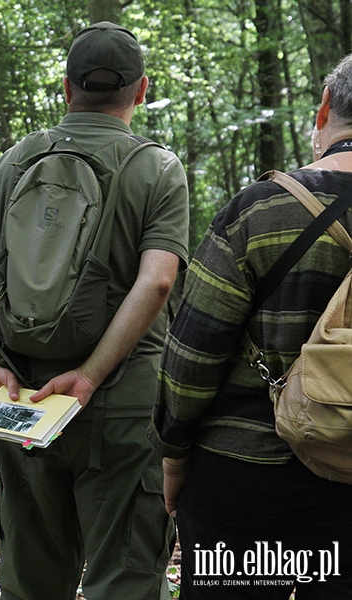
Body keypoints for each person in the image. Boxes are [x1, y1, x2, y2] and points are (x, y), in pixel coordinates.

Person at [0, 22, 189, 600]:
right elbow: (157, 282)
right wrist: (89, 376)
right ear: (141, 90)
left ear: (66, 88)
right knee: (125, 576)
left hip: (24, 396)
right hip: (122, 400)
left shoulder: (13, 161)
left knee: (32, 575)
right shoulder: (156, 168)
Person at [150, 55, 352, 599]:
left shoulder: (259, 211)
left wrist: (173, 456)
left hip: (244, 482)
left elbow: (191, 356)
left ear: (325, 110)